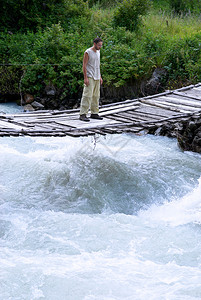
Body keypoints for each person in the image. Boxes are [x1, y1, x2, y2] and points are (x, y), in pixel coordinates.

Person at [79, 37, 103, 122]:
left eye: (101, 45)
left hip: (97, 75)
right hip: (90, 76)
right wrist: (85, 77)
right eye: (99, 45)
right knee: (87, 95)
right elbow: (84, 65)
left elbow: (98, 65)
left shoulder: (98, 52)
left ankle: (94, 113)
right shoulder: (88, 52)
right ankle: (83, 114)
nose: (100, 47)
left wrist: (100, 76)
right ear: (94, 44)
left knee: (96, 95)